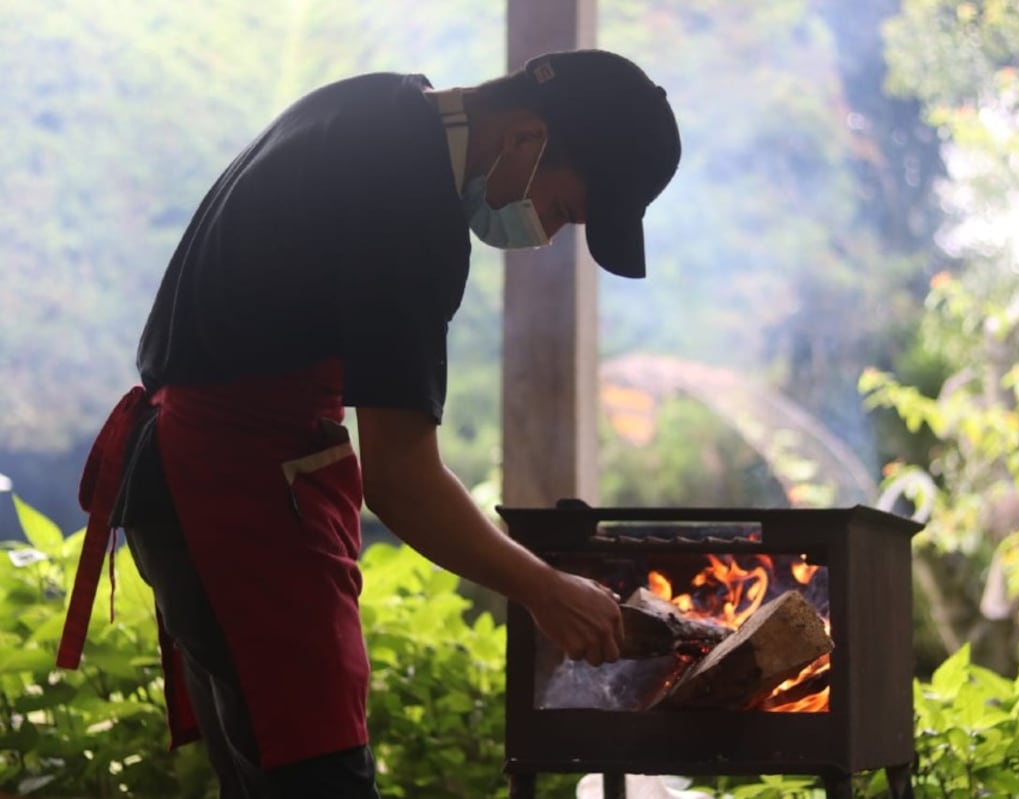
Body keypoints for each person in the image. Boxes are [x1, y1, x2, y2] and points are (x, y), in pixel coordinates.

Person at [56, 49, 681, 798]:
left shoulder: (379, 105)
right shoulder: (413, 210)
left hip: (191, 477)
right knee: (319, 781)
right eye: (562, 210)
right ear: (525, 137)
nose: (546, 235)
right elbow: (401, 476)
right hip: (235, 495)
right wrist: (544, 587)